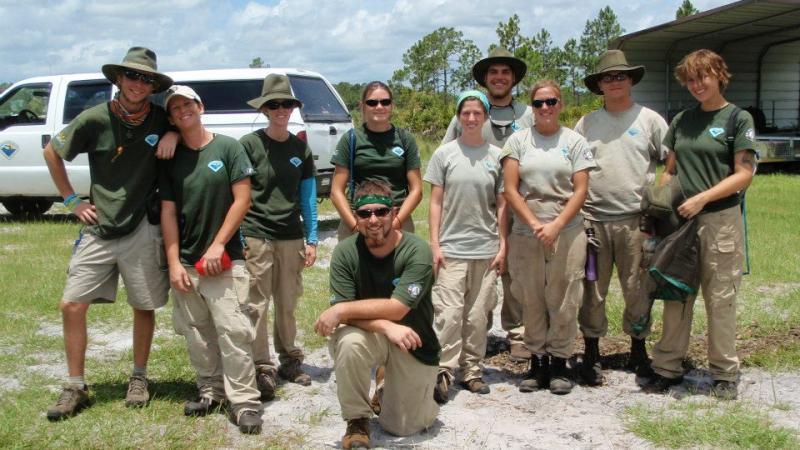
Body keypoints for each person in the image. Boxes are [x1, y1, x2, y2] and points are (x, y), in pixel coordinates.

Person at [42, 47, 177, 420]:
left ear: (153, 87)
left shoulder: (163, 118)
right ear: (118, 79)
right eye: (132, 76)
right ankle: (75, 386)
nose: (138, 84)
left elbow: (191, 123)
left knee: (144, 305)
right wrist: (72, 200)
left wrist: (173, 134)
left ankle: (139, 377)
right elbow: (52, 151)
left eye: (147, 79)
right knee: (72, 303)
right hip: (99, 227)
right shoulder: (94, 118)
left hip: (142, 226)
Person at [645, 49, 756, 400]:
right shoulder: (681, 120)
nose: (697, 85)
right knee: (677, 294)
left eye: (703, 77)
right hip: (680, 221)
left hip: (719, 220)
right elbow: (670, 171)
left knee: (720, 296)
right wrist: (656, 210)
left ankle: (724, 373)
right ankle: (667, 366)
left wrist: (704, 198)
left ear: (719, 75)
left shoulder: (739, 119)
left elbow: (744, 174)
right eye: (690, 79)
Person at [159, 85, 262, 434]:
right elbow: (168, 212)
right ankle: (211, 392)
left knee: (233, 331)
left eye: (187, 104)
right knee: (198, 334)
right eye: (175, 109)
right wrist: (174, 263)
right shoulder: (170, 158)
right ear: (171, 117)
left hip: (225, 260)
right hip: (187, 262)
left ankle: (245, 402)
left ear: (200, 106)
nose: (183, 111)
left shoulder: (229, 148)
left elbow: (242, 200)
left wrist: (218, 245)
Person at [315, 180, 440, 449]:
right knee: (349, 341)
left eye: (381, 212)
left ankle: (388, 387)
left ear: (394, 213)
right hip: (375, 335)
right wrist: (385, 326)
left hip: (414, 341)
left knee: (403, 426)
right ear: (355, 217)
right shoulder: (345, 253)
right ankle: (357, 421)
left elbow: (399, 308)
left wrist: (341, 308)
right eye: (365, 213)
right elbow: (346, 321)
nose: (373, 220)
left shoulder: (417, 250)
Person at [574, 50, 669, 385]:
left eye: (620, 76)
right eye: (608, 77)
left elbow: (670, 162)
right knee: (592, 290)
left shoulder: (650, 120)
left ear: (631, 80)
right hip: (593, 220)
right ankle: (591, 353)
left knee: (637, 289)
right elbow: (574, 169)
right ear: (599, 84)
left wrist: (660, 199)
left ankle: (639, 351)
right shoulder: (586, 123)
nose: (614, 81)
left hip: (636, 222)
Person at [502, 80, 595, 395]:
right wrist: (533, 222)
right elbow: (511, 189)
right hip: (527, 233)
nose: (545, 108)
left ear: (561, 104)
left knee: (565, 296)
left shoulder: (575, 142)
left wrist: (556, 225)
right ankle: (537, 360)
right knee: (531, 297)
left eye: (551, 102)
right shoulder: (518, 141)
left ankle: (560, 361)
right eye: (539, 103)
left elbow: (581, 189)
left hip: (567, 232)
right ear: (533, 107)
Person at [441, 47, 534, 361]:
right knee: (481, 274)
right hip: (477, 211)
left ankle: (518, 333)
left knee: (515, 272)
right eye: (493, 72)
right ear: (485, 78)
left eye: (505, 72)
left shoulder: (527, 114)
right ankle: (474, 335)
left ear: (513, 79)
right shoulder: (469, 111)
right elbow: (446, 159)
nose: (499, 77)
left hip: (520, 205)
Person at [425, 90, 507, 401]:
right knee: (449, 314)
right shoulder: (444, 154)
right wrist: (435, 243)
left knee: (476, 317)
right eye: (466, 113)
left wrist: (503, 246)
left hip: (485, 250)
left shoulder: (497, 156)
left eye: (477, 113)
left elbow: (502, 205)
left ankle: (471, 371)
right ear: (458, 116)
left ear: (486, 117)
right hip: (451, 250)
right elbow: (435, 202)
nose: (471, 118)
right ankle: (442, 371)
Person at [240, 74, 318, 398]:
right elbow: (239, 195)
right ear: (265, 109)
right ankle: (262, 366)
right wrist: (242, 236)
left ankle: (290, 360)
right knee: (256, 304)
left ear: (292, 108)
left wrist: (312, 239)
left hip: (290, 236)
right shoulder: (249, 145)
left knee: (287, 303)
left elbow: (309, 197)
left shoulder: (301, 149)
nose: (280, 109)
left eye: (286, 104)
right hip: (258, 234)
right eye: (274, 104)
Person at [330, 81, 422, 240]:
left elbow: (417, 190)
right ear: (362, 106)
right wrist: (355, 226)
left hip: (397, 217)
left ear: (392, 105)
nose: (379, 106)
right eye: (372, 102)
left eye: (385, 102)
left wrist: (396, 223)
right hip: (359, 217)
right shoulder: (351, 139)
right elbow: (336, 191)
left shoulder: (405, 139)